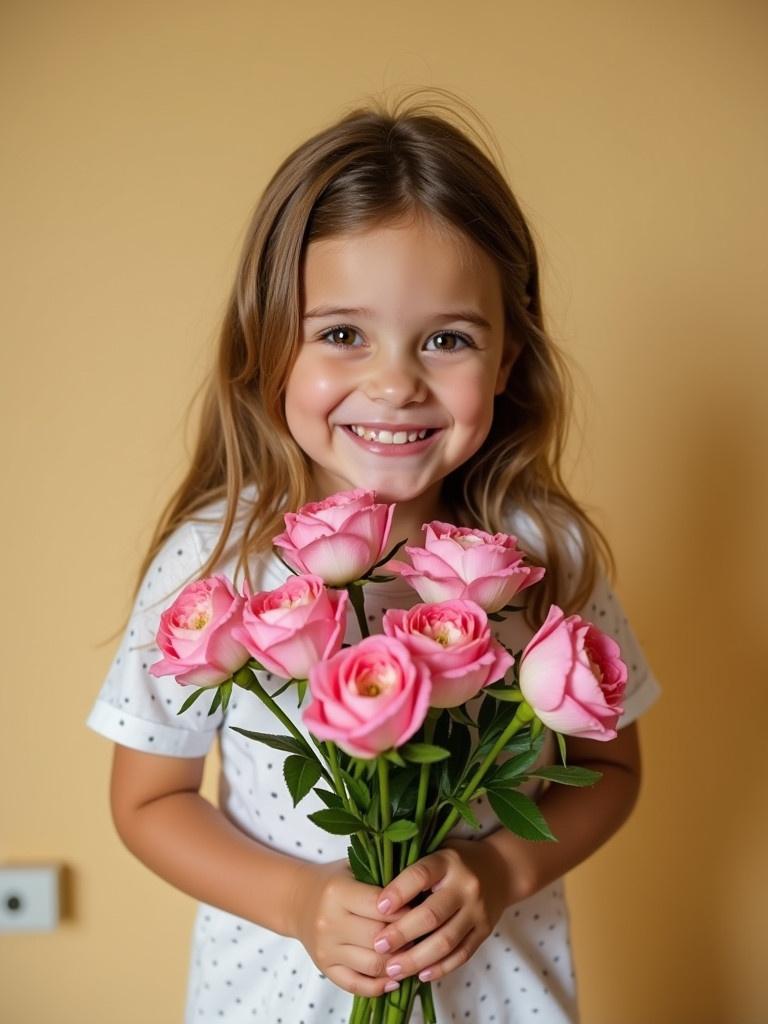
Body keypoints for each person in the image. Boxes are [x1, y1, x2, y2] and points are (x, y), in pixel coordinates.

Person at [86, 89, 662, 1023]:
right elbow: (150, 799)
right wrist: (299, 902)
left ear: (509, 357)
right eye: (342, 334)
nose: (395, 383)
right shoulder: (216, 564)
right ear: (270, 345)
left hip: (498, 1001)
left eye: (447, 339)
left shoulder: (542, 553)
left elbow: (614, 770)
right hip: (276, 1000)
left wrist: (500, 862)